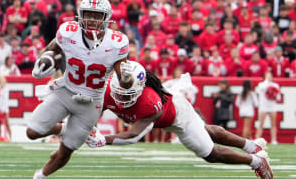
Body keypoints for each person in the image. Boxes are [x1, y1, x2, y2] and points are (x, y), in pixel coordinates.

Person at [86, 61, 273, 179]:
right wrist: (92, 127)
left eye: (128, 96)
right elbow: (95, 110)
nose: (122, 100)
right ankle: (250, 146)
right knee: (207, 131)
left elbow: (134, 135)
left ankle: (256, 161)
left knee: (210, 153)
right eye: (120, 94)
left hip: (177, 116)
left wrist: (105, 139)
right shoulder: (108, 90)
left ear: (140, 89)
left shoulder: (149, 101)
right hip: (168, 108)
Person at [26, 0, 131, 179]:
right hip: (66, 91)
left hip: (91, 101)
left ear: (106, 18)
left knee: (66, 150)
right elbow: (51, 50)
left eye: (97, 15)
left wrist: (127, 79)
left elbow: (123, 76)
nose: (91, 19)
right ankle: (65, 128)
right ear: (80, 14)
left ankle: (40, 176)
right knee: (32, 132)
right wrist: (44, 60)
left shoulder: (116, 42)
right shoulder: (68, 32)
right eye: (88, 14)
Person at [255, 72, 280, 145]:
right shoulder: (261, 84)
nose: (269, 77)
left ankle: (274, 140)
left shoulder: (275, 85)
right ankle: (257, 139)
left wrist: (274, 95)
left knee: (273, 124)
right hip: (263, 107)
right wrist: (267, 81)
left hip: (272, 107)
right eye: (267, 76)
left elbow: (278, 97)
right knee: (261, 124)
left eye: (270, 75)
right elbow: (262, 88)